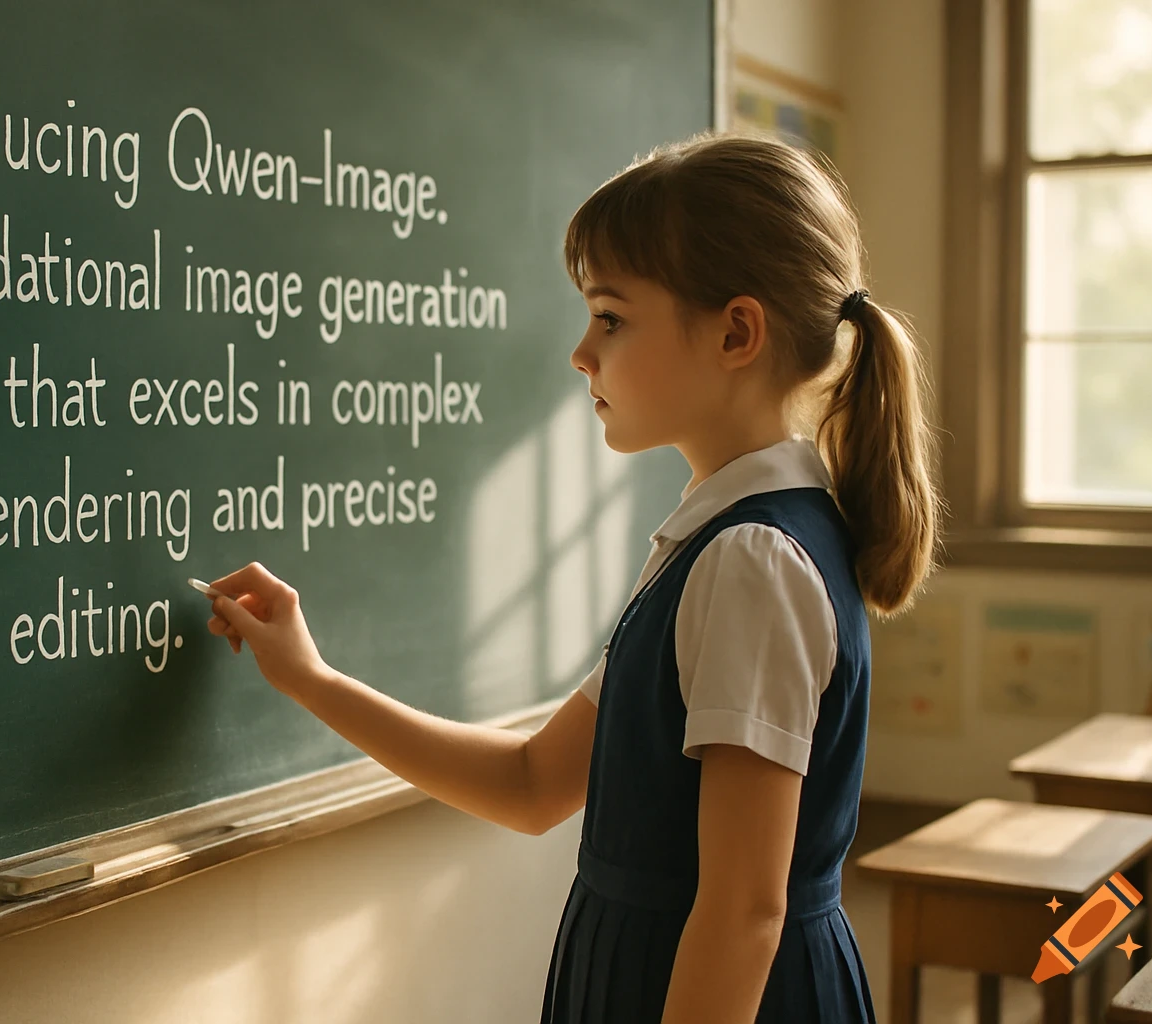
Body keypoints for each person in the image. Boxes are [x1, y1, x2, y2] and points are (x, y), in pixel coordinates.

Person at [204, 131, 940, 1024]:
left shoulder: (752, 562)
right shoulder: (723, 541)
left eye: (612, 318)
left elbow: (745, 913)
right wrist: (312, 680)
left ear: (736, 332)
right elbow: (531, 783)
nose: (581, 352)